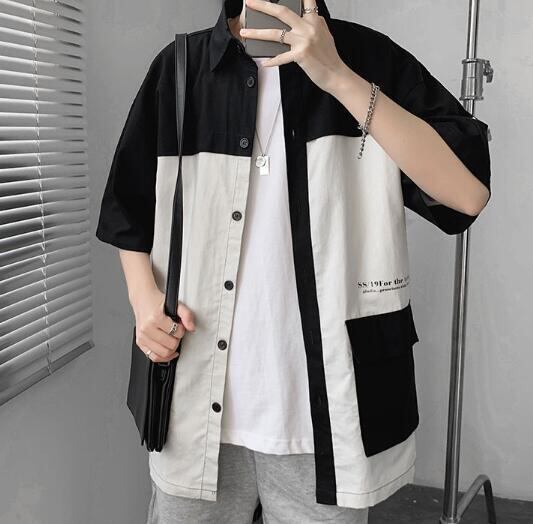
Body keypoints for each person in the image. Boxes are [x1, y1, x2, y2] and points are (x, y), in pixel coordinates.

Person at [95, 0, 492, 522]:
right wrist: (143, 300)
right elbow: (127, 210)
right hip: (195, 411)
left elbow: (467, 194)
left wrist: (338, 77)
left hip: (326, 426)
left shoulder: (368, 59)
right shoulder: (181, 67)